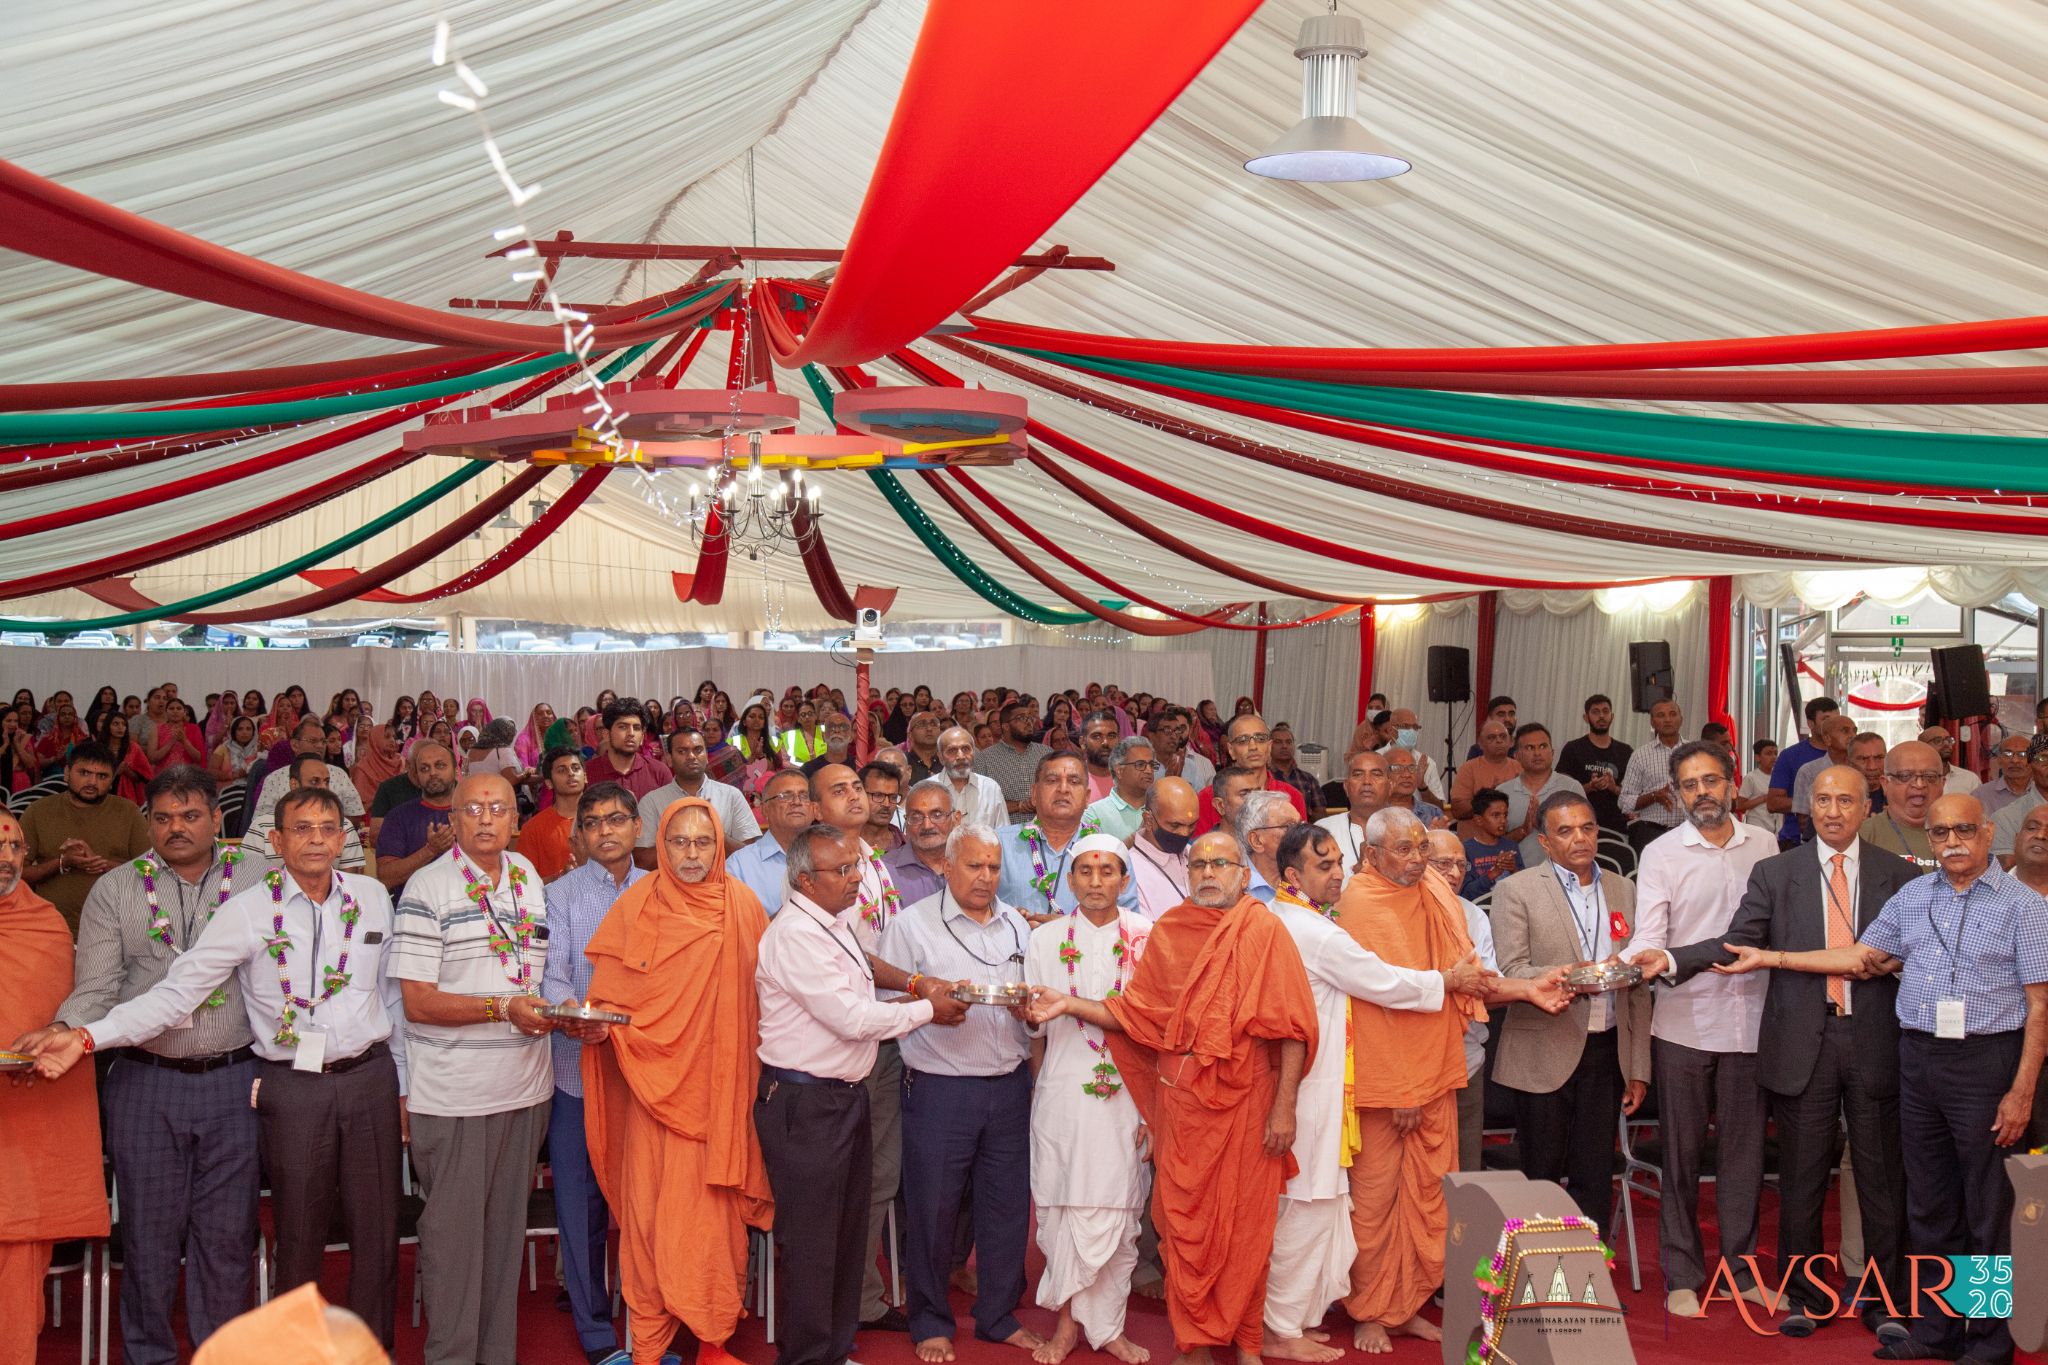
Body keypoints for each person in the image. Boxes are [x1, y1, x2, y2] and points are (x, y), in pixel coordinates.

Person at [30, 785, 409, 1347]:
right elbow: (176, 995)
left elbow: (391, 997)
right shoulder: (247, 910)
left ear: (344, 837)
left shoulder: (373, 897)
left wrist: (401, 1082)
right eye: (301, 829)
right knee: (298, 1238)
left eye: (328, 828)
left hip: (371, 1078)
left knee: (378, 1236)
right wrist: (87, 1035)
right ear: (275, 841)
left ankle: (374, 1351)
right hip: (293, 1085)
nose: (316, 840)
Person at [1716, 793, 2047, 1365]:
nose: (1951, 843)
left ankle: (1988, 1342)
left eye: (1964, 830)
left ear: (1989, 833)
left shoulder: (2026, 907)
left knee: (1985, 1212)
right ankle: (1939, 1331)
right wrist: (1772, 959)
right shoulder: (1915, 895)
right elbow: (1855, 957)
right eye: (1940, 833)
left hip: (1987, 1065)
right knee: (1930, 1207)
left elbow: (2040, 1009)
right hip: (1916, 1062)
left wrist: (2021, 1092)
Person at [1638, 764, 1917, 1342]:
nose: (1834, 810)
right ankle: (1806, 1295)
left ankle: (1884, 1301)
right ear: (1806, 808)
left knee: (1881, 1178)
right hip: (1799, 1044)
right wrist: (1669, 961)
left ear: (1869, 807)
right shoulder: (1775, 869)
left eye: (1846, 799)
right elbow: (1736, 941)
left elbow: (1906, 955)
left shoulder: (1899, 875)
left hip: (1873, 1040)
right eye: (1823, 800)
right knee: (1801, 1177)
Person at [1027, 827, 1317, 1365]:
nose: (1208, 872)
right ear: (1188, 874)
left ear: (1245, 874)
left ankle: (1248, 1343)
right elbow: (1136, 1017)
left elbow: (1292, 1030)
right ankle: (1194, 1342)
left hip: (1249, 1101)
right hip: (1183, 1103)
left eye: (1220, 864)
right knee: (1184, 1230)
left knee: (1248, 1229)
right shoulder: (1171, 931)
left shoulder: (1264, 931)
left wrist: (1284, 1109)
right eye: (1199, 864)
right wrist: (1069, 1004)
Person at [26, 768, 260, 1365]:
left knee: (227, 1238)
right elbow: (97, 987)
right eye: (161, 818)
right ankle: (148, 1355)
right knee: (149, 1238)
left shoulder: (261, 879)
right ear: (146, 823)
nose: (175, 828)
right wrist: (62, 1031)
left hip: (237, 1081)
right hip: (144, 1083)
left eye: (189, 816)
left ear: (217, 818)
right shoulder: (117, 889)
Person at [1263, 822, 1486, 1362]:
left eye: (1339, 861)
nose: (1338, 873)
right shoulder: (1314, 927)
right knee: (1314, 1205)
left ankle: (1324, 1315)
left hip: (1329, 1087)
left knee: (1325, 1205)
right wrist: (1448, 983)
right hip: (1308, 1090)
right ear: (1293, 875)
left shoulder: (1308, 916)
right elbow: (1382, 983)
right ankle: (1282, 1327)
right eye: (1325, 865)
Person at [580, 798, 774, 1365]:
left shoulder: (743, 905)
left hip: (721, 1093)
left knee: (712, 1224)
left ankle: (712, 1340)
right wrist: (595, 1026)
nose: (691, 855)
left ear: (721, 847)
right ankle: (649, 1348)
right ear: (660, 847)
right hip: (651, 1089)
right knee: (647, 1219)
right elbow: (609, 999)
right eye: (679, 843)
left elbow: (765, 1002)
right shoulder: (638, 905)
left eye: (703, 843)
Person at [756, 823, 957, 1365]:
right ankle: (804, 1357)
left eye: (856, 867)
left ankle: (834, 1347)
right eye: (841, 870)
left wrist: (915, 986)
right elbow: (848, 1017)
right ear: (803, 878)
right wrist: (926, 1009)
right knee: (812, 1243)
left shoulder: (836, 920)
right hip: (805, 1103)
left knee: (846, 1237)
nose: (855, 879)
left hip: (843, 1096)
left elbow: (865, 971)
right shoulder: (794, 933)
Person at [389, 772, 553, 1365]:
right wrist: (500, 1008)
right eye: (473, 808)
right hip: (455, 1096)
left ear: (516, 819)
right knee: (455, 1246)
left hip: (526, 1088)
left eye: (499, 808)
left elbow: (530, 977)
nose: (486, 818)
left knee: (504, 1241)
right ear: (452, 820)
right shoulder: (426, 888)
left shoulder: (528, 878)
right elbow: (417, 1000)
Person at [880, 823, 1046, 1362]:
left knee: (1006, 1212)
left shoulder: (1017, 927)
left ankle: (998, 1316)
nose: (985, 877)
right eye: (974, 866)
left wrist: (1031, 1013)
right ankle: (930, 1321)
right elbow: (882, 1003)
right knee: (932, 1211)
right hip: (938, 1090)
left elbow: (1035, 1007)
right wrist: (930, 1006)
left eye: (994, 867)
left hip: (1009, 1086)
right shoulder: (910, 926)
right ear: (947, 867)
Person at [1623, 739, 1777, 1316]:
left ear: (1732, 784)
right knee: (1682, 1158)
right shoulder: (1662, 852)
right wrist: (1641, 958)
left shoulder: (1764, 843)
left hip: (1754, 1020)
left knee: (1744, 1158)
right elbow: (1649, 932)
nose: (1702, 794)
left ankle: (1741, 1271)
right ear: (1677, 793)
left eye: (1711, 781)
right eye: (1689, 785)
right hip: (1684, 1021)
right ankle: (1682, 1276)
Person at [1337, 807, 1487, 1354]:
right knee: (1375, 1202)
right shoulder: (1359, 902)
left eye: (1422, 847)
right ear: (1372, 855)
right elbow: (1379, 1000)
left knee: (1427, 1196)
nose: (1420, 859)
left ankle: (1404, 1307)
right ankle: (1370, 1310)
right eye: (1404, 849)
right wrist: (1403, 1088)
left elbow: (1456, 977)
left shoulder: (1431, 892)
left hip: (1435, 1070)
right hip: (1389, 1079)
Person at [1490, 793, 1653, 1229]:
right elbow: (1514, 969)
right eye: (1565, 831)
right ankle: (1542, 1280)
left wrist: (1638, 1066)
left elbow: (1637, 984)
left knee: (1595, 1173)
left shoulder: (1624, 888)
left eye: (1588, 828)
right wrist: (1575, 974)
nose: (1579, 838)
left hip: (1607, 1050)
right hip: (1544, 1049)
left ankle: (1590, 1279)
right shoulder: (1516, 890)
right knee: (1540, 1174)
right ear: (1544, 842)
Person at [1023, 835, 1156, 1365]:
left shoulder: (1149, 937)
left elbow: (1155, 1028)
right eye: (1085, 871)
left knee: (1119, 1213)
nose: (1097, 880)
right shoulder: (1046, 939)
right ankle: (1065, 1327)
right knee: (1061, 1211)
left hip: (1128, 1093)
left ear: (1124, 881)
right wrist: (1040, 1091)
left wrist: (1153, 1108)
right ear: (1071, 880)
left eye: (1108, 871)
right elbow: (1035, 1030)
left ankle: (1110, 1327)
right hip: (1062, 1089)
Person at [539, 782, 645, 1365]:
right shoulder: (558, 897)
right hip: (578, 1072)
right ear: (579, 833)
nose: (606, 830)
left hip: (648, 1078)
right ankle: (598, 1336)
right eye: (594, 821)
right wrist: (578, 1016)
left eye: (617, 819)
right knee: (581, 1210)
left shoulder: (660, 892)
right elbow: (549, 978)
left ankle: (646, 1324)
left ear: (635, 827)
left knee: (646, 1204)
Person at [0, 811, 110, 1365]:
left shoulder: (46, 924)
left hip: (25, 1123)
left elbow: (61, 1014)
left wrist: (42, 1048)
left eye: (13, 846)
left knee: (19, 1250)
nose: (4, 859)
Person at [19, 739, 151, 932]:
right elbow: (17, 874)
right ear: (66, 773)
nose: (92, 782)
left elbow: (151, 872)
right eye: (84, 773)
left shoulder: (128, 812)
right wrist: (62, 862)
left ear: (112, 780)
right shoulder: (38, 811)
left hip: (115, 929)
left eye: (102, 776)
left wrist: (102, 864)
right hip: (52, 929)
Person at [634, 725, 761, 867]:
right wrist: (681, 835)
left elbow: (751, 856)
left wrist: (713, 830)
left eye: (698, 750)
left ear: (706, 756)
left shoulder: (731, 796)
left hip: (722, 885)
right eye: (682, 751)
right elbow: (641, 861)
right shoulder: (652, 801)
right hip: (671, 887)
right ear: (669, 759)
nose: (691, 756)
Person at [242, 755, 371, 879]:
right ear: (294, 785)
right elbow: (247, 882)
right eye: (314, 781)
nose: (323, 788)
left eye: (326, 782)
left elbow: (349, 886)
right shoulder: (262, 827)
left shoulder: (344, 826)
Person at [1194, 713, 1308, 835]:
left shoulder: (1291, 796)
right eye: (1243, 740)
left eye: (1260, 739)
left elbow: (1298, 850)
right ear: (1231, 750)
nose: (1253, 746)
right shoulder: (1209, 797)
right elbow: (1202, 849)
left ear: (1269, 747)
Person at [725, 768, 815, 915]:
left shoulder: (830, 856)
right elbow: (736, 929)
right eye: (785, 796)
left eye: (804, 796)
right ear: (765, 809)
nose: (797, 802)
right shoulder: (738, 867)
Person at [374, 742, 457, 890]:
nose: (432, 773)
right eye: (424, 769)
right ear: (416, 776)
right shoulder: (398, 817)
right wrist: (430, 850)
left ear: (455, 770)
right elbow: (385, 878)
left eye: (440, 765)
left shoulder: (474, 812)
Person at [1501, 723, 1585, 864]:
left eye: (1543, 746)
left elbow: (1583, 835)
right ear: (1517, 756)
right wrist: (1522, 830)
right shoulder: (1503, 792)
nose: (1537, 753)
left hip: (1562, 877)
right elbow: (1494, 845)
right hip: (1515, 879)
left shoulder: (1571, 788)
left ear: (1552, 753)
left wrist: (1542, 825)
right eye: (1530, 748)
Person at [1556, 694, 1635, 844]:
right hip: (1578, 828)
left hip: (1616, 830)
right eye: (1595, 712)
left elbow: (1632, 796)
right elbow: (1561, 791)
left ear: (1612, 716)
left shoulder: (1626, 751)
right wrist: (1589, 787)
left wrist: (1613, 788)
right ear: (1586, 717)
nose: (1601, 716)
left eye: (1605, 711)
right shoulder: (1573, 749)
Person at [1767, 696, 1842, 847]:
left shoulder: (1850, 756)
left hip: (1841, 840)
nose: (1833, 725)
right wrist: (1818, 803)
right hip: (1796, 840)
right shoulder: (1790, 756)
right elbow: (1773, 803)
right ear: (1811, 724)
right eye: (1826, 719)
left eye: (1837, 719)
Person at [1865, 738, 1943, 870]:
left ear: (1943, 783)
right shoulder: (1863, 835)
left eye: (1930, 776)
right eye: (1905, 776)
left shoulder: (1962, 833)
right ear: (1885, 784)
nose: (1919, 784)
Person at [1313, 747, 1390, 874]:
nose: (1367, 781)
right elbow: (1290, 888)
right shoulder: (1320, 830)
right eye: (1358, 774)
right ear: (1346, 787)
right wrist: (1353, 877)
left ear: (1390, 786)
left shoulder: (1409, 828)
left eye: (1376, 774)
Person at [1128, 778, 1196, 920]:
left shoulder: (1196, 854)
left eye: (1192, 825)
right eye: (1175, 826)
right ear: (1148, 820)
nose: (1184, 834)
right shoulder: (1130, 868)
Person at [975, 700, 1055, 819]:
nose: (1028, 722)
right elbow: (980, 803)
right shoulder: (984, 759)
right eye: (1021, 718)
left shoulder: (1046, 753)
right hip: (1003, 833)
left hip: (1044, 831)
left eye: (1030, 718)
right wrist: (1019, 806)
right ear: (1006, 726)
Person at [518, 746, 586, 883]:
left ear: (585, 777)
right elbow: (525, 885)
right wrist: (562, 877)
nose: (571, 773)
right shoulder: (533, 829)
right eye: (562, 770)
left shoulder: (605, 820)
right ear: (549, 783)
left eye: (576, 768)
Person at [885, 778, 956, 906]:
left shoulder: (972, 865)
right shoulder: (884, 872)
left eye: (937, 815)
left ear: (956, 819)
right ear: (906, 822)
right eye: (916, 817)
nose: (927, 825)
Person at [584, 698, 669, 800]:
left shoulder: (659, 772)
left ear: (642, 737)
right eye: (623, 727)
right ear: (606, 734)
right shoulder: (588, 772)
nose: (631, 733)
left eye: (636, 728)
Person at [1789, 715, 1860, 832]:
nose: (1852, 736)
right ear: (1827, 739)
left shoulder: (1860, 769)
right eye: (1845, 731)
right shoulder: (1809, 771)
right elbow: (1803, 820)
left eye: (1854, 731)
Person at [1448, 720, 1519, 831]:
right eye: (1491, 737)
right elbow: (1457, 810)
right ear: (1480, 744)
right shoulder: (1468, 768)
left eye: (1503, 736)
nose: (1499, 740)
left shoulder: (1521, 768)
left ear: (1510, 741)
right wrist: (1487, 799)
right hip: (1475, 840)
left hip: (1514, 837)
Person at [1083, 735, 1155, 843]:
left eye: (1152, 764)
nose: (1149, 770)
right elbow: (1093, 857)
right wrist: (1139, 836)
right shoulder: (1092, 815)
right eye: (1140, 765)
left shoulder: (1160, 809)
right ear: (1119, 771)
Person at [937, 726, 1008, 828]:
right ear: (941, 757)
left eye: (966, 749)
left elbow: (1003, 833)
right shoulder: (927, 790)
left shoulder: (990, 788)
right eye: (952, 750)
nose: (961, 756)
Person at [1458, 789, 1522, 899]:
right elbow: (1465, 893)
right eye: (1496, 815)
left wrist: (1513, 869)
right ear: (1478, 820)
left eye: (1505, 815)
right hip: (1479, 912)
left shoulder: (1511, 846)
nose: (1503, 821)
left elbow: (1524, 886)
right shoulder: (1465, 850)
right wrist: (1493, 873)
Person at [1150, 707, 1215, 793]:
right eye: (1167, 730)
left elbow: (1201, 801)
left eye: (1178, 730)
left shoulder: (1190, 766)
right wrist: (1169, 781)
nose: (1174, 736)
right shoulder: (1143, 765)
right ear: (1151, 736)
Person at [1268, 724, 1325, 820]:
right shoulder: (1265, 777)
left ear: (1294, 746)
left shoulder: (1308, 779)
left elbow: (1321, 815)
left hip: (1303, 831)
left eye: (1288, 742)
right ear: (1269, 746)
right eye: (1278, 742)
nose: (1284, 746)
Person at [1382, 747, 1444, 829]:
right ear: (1383, 774)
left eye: (1412, 768)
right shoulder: (1372, 811)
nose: (1407, 775)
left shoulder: (1433, 813)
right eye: (1398, 768)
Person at [1979, 733, 2037, 814]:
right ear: (1999, 760)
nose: (2015, 760)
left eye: (2022, 754)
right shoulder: (1981, 795)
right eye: (2007, 754)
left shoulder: (2043, 792)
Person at [1921, 725, 1979, 797]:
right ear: (1922, 746)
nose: (1946, 744)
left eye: (1949, 740)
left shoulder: (1970, 779)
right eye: (1938, 741)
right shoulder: (1915, 779)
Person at [1735, 738, 1779, 832]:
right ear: (1758, 757)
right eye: (1769, 753)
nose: (1773, 757)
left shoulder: (1778, 777)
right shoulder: (1751, 778)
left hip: (1775, 826)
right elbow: (1740, 805)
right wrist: (1764, 798)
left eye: (1775, 753)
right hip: (1756, 826)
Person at [862, 761, 907, 853]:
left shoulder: (909, 846)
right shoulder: (841, 843)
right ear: (860, 794)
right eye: (878, 795)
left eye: (893, 797)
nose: (887, 804)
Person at [801, 709, 857, 777]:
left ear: (851, 737)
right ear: (824, 736)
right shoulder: (809, 770)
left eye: (843, 728)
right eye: (831, 727)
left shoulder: (858, 767)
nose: (836, 731)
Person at [902, 708, 944, 785]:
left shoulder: (947, 762)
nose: (929, 729)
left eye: (933, 724)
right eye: (922, 725)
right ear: (910, 734)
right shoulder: (902, 763)